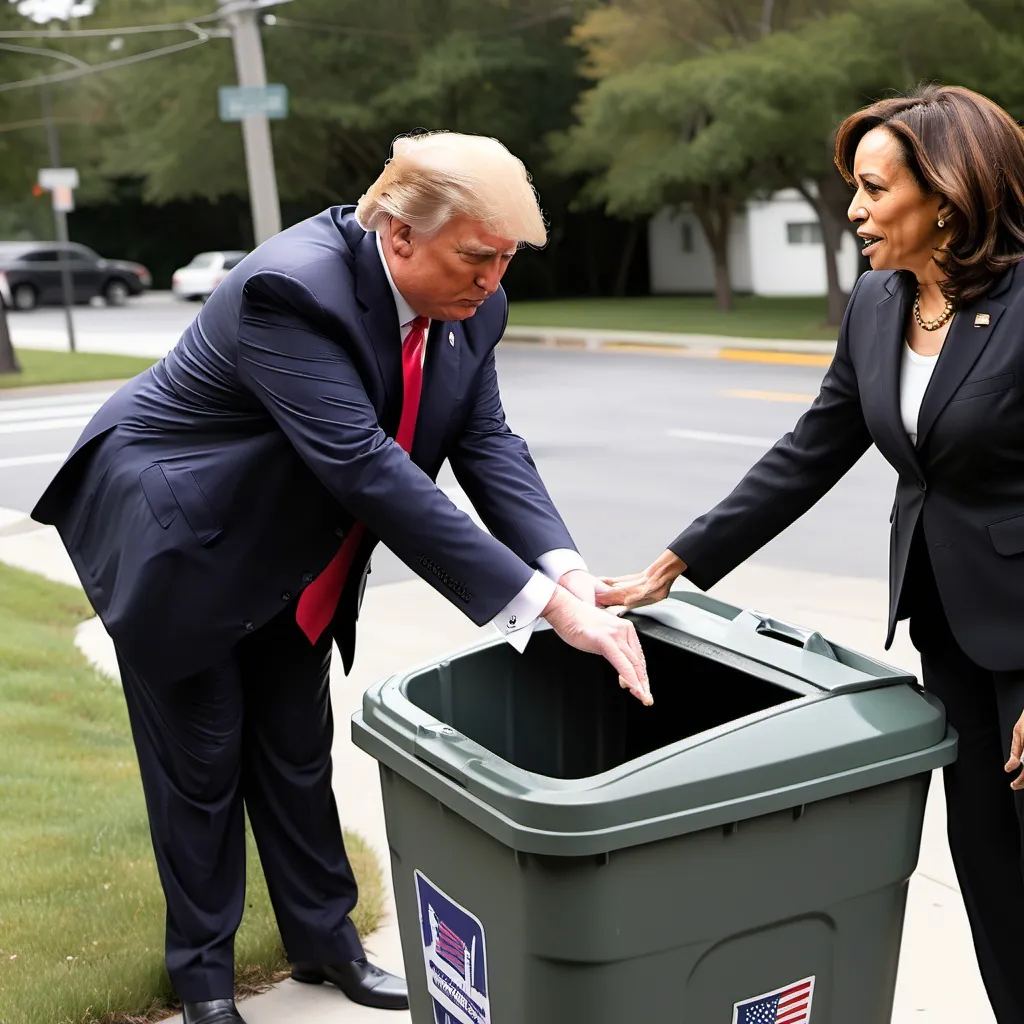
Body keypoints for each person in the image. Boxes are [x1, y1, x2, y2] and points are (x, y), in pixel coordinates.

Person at [32, 131, 650, 1024]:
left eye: (506, 260)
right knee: (201, 765)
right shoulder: (293, 289)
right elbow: (363, 464)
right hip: (185, 541)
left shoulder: (474, 308)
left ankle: (325, 946)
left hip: (294, 545)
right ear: (397, 235)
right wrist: (547, 611)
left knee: (293, 747)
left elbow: (486, 443)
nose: (492, 284)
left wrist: (568, 571)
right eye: (477, 258)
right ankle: (203, 981)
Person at [599, 84, 1024, 1023]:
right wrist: (675, 562)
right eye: (854, 189)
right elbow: (812, 449)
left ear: (947, 196)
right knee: (993, 877)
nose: (856, 211)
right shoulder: (878, 302)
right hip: (953, 633)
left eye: (874, 189)